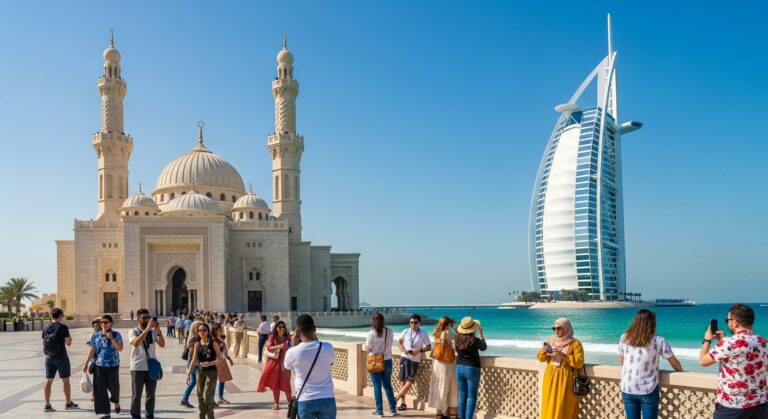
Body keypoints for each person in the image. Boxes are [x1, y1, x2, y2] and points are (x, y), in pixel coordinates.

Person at [700, 303, 768, 418]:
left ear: (735, 322)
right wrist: (722, 340)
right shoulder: (763, 341)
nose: (728, 323)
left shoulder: (728, 343)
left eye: (728, 320)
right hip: (760, 405)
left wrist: (707, 340)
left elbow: (703, 361)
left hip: (732, 407)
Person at [618, 309, 683, 419]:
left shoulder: (624, 338)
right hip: (648, 388)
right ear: (652, 324)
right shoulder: (658, 340)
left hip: (628, 387)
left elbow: (622, 361)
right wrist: (681, 372)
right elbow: (674, 363)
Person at [284, 314, 336, 418]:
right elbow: (330, 363)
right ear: (314, 329)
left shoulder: (292, 352)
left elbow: (286, 373)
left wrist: (294, 346)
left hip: (305, 399)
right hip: (327, 397)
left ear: (297, 332)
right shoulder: (328, 347)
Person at [537, 318, 585, 419]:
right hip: (550, 377)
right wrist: (544, 351)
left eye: (559, 328)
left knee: (563, 405)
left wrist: (563, 356)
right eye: (554, 328)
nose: (556, 330)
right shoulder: (550, 341)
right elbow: (541, 359)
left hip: (566, 379)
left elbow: (579, 362)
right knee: (549, 403)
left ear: (566, 328)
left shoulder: (575, 343)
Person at [82, 314, 123, 419]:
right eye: (102, 322)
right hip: (99, 365)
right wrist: (86, 363)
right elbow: (93, 349)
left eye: (106, 322)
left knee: (114, 387)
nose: (103, 324)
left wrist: (112, 339)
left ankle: (116, 401)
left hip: (113, 365)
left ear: (111, 323)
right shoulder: (96, 335)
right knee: (100, 389)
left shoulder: (116, 334)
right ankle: (106, 413)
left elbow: (120, 348)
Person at [129, 309, 165, 419]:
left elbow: (162, 344)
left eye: (148, 317)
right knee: (136, 394)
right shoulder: (133, 331)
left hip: (151, 367)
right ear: (138, 319)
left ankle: (149, 415)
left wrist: (158, 331)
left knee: (151, 395)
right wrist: (147, 330)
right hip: (137, 367)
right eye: (144, 318)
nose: (146, 320)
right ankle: (136, 415)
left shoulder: (153, 332)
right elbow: (136, 343)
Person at [42, 307, 79, 412]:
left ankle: (47, 405)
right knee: (65, 380)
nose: (62, 317)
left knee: (48, 380)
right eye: (62, 315)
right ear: (60, 316)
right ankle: (68, 403)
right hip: (61, 357)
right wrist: (70, 339)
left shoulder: (45, 327)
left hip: (49, 357)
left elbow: (44, 341)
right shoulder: (63, 327)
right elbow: (68, 343)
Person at [395, 314, 431, 411]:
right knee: (402, 381)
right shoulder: (406, 331)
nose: (413, 324)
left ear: (419, 323)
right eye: (411, 322)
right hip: (404, 357)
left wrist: (418, 351)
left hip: (414, 360)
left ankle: (396, 397)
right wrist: (403, 350)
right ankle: (403, 403)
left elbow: (429, 347)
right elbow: (399, 342)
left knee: (410, 381)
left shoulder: (423, 333)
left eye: (415, 323)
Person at [363, 312, 397, 417]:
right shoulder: (389, 331)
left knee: (377, 386)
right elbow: (390, 343)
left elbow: (368, 348)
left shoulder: (371, 333)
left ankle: (379, 411)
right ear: (383, 321)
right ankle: (393, 409)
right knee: (387, 385)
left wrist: (365, 347)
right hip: (387, 360)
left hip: (375, 361)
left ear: (373, 321)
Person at [186, 322, 221, 419]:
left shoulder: (213, 344)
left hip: (211, 372)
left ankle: (210, 416)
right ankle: (202, 416)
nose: (202, 332)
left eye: (204, 330)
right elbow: (193, 360)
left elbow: (220, 359)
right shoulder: (197, 344)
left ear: (208, 331)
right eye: (200, 330)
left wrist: (210, 363)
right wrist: (188, 374)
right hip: (200, 372)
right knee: (200, 395)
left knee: (208, 396)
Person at [454, 317, 486, 419]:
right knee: (471, 397)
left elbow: (457, 351)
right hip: (472, 369)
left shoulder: (457, 340)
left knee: (462, 396)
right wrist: (481, 334)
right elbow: (484, 347)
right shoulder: (475, 340)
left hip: (459, 368)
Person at [257, 320, 293, 409]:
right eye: (280, 327)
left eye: (283, 327)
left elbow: (292, 345)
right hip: (275, 363)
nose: (282, 329)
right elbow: (269, 347)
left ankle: (290, 402)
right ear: (276, 328)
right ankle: (276, 403)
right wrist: (279, 346)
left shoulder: (287, 337)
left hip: (285, 364)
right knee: (275, 383)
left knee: (286, 383)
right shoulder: (272, 337)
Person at [428, 316, 458, 419]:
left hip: (437, 363)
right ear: (449, 324)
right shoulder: (448, 333)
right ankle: (453, 414)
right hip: (447, 363)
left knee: (440, 387)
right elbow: (458, 341)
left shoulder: (436, 333)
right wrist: (456, 328)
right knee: (451, 386)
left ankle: (439, 413)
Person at [180, 320, 203, 408]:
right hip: (195, 363)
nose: (201, 329)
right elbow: (192, 353)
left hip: (195, 363)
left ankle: (184, 399)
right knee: (195, 382)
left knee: (195, 382)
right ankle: (184, 399)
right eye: (199, 327)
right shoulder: (193, 338)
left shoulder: (196, 337)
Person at [211, 324, 234, 405]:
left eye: (221, 329)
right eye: (219, 330)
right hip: (217, 361)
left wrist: (229, 359)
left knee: (223, 379)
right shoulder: (213, 340)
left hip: (222, 360)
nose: (221, 331)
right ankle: (211, 399)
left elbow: (224, 351)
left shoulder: (220, 339)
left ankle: (220, 398)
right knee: (213, 381)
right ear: (215, 331)